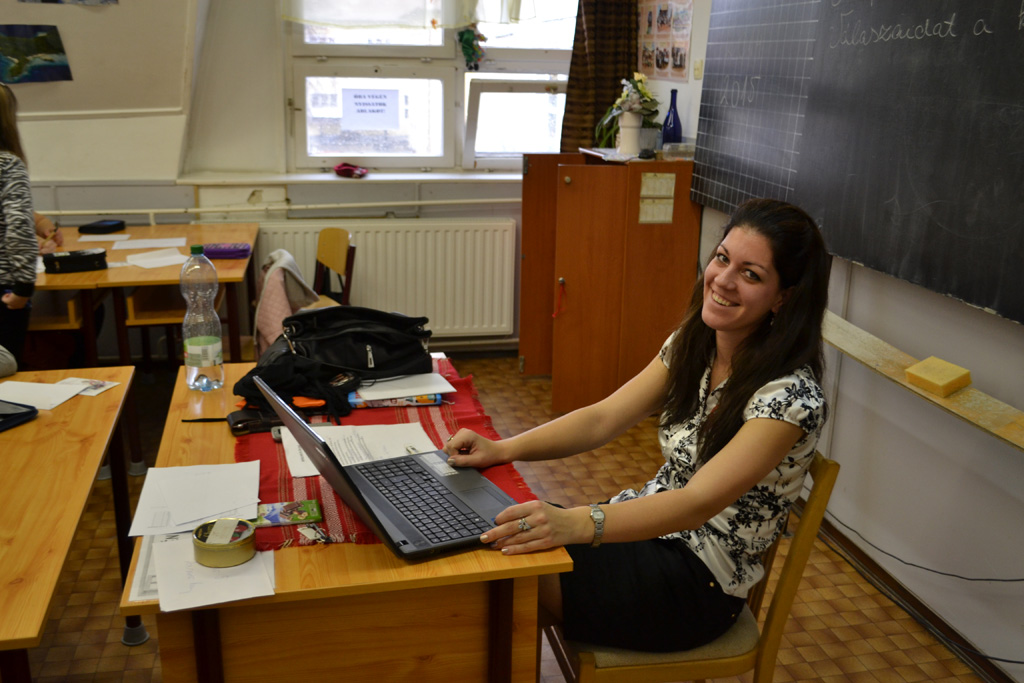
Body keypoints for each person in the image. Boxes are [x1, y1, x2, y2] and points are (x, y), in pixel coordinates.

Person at [444, 198, 832, 653]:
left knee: (509, 572)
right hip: (649, 529)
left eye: (751, 274)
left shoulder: (789, 398)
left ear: (784, 297)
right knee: (498, 547)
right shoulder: (695, 345)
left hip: (698, 581)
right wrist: (502, 448)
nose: (723, 280)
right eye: (722, 258)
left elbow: (695, 503)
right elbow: (602, 419)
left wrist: (576, 522)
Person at [0, 82, 37, 365]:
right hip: (4, 287)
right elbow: (18, 226)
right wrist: (24, 287)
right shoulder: (8, 165)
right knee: (7, 369)